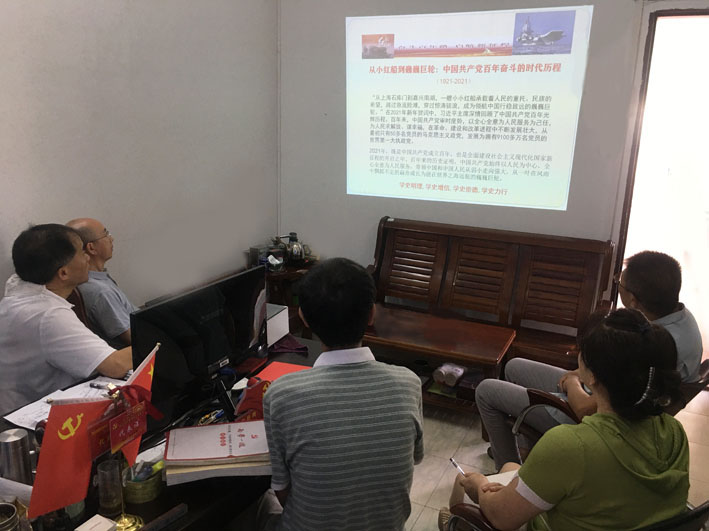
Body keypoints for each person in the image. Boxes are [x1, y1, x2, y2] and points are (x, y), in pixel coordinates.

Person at [441, 308, 689, 531]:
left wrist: (479, 488)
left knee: (463, 486)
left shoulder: (570, 447)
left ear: (592, 376)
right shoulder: (674, 432)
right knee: (509, 469)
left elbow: (502, 518)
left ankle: (454, 522)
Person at [477, 250, 702, 470]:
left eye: (619, 283)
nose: (618, 286)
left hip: (589, 416)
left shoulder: (652, 347)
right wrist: (579, 374)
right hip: (595, 390)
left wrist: (573, 383)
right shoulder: (680, 320)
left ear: (633, 301)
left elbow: (586, 409)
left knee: (486, 391)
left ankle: (506, 471)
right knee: (514, 367)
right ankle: (529, 450)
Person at [260, 258, 424, 530]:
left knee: (261, 505)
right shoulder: (409, 383)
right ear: (371, 314)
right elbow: (415, 458)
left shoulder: (281, 395)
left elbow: (282, 490)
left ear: (303, 317)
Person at [0, 224, 133, 414]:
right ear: (63, 273)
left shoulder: (19, 289)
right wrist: (160, 340)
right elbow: (115, 365)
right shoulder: (48, 315)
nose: (87, 257)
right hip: (33, 416)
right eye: (81, 252)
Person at [66, 218, 137, 348]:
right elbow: (135, 338)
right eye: (106, 234)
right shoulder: (101, 292)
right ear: (91, 248)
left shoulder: (91, 280)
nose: (111, 239)